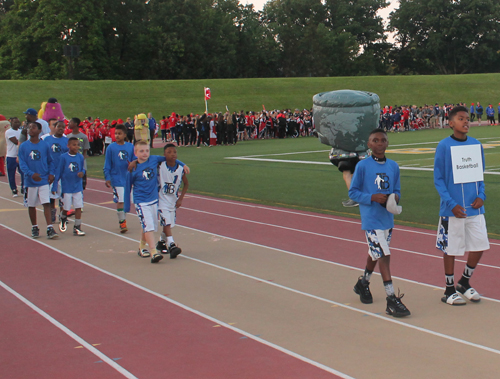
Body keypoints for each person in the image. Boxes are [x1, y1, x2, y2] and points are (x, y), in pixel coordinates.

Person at [349, 128, 410, 317]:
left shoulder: (393, 166)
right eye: (375, 140)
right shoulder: (363, 166)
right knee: (383, 254)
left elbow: (397, 190)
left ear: (387, 143)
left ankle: (363, 283)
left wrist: (394, 199)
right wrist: (372, 197)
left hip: (387, 218)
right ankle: (391, 299)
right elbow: (353, 193)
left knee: (374, 252)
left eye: (383, 140)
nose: (379, 143)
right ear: (369, 144)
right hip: (371, 218)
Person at [434, 105, 489, 305]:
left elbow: (479, 175)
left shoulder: (476, 145)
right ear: (450, 123)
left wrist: (481, 195)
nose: (466, 121)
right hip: (453, 209)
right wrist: (451, 203)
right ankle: (449, 289)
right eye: (460, 118)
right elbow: (438, 179)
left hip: (475, 208)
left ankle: (464, 282)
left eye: (467, 118)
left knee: (480, 244)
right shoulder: (444, 146)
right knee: (451, 248)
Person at [124, 140, 166, 263]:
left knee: (148, 225)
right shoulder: (133, 169)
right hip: (141, 201)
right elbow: (127, 187)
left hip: (153, 199)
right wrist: (127, 206)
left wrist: (182, 164)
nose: (145, 153)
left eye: (147, 150)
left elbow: (168, 158)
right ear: (135, 153)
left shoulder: (153, 159)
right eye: (141, 151)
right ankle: (154, 251)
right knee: (148, 226)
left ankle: (142, 247)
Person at [18, 122, 58, 239]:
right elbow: (22, 164)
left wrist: (51, 173)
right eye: (29, 127)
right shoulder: (24, 146)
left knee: (46, 203)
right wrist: (31, 174)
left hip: (43, 179)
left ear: (39, 130)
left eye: (33, 127)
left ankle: (49, 227)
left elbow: (50, 161)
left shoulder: (44, 145)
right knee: (31, 205)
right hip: (30, 181)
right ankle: (34, 227)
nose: (30, 129)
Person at [156, 143, 189, 258]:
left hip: (173, 201)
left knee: (170, 224)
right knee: (167, 222)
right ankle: (172, 244)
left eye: (174, 152)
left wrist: (180, 199)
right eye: (169, 152)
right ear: (164, 155)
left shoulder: (180, 169)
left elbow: (186, 184)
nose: (172, 154)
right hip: (161, 199)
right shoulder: (160, 166)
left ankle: (161, 243)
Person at [103, 124, 135, 233]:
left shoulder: (130, 146)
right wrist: (107, 177)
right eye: (115, 133)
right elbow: (107, 164)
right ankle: (122, 222)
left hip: (127, 178)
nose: (117, 135)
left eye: (119, 133)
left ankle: (123, 218)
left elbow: (135, 160)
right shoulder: (111, 148)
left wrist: (133, 164)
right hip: (116, 178)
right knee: (121, 199)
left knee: (126, 201)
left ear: (125, 135)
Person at [52, 137, 86, 236]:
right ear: (68, 146)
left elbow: (82, 169)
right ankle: (63, 217)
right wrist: (54, 186)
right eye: (74, 145)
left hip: (77, 187)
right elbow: (58, 172)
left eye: (78, 145)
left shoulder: (80, 157)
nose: (76, 147)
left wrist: (82, 173)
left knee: (78, 207)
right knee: (66, 208)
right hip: (66, 187)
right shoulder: (63, 157)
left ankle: (77, 227)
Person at [43, 121, 69, 223]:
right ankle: (52, 213)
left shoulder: (66, 141)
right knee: (51, 195)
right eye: (59, 127)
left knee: (63, 195)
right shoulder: (47, 140)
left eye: (63, 127)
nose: (60, 129)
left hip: (62, 172)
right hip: (51, 171)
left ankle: (63, 216)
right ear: (55, 127)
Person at [5, 117, 22, 196]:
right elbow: (16, 142)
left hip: (20, 156)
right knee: (11, 173)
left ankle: (23, 187)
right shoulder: (9, 132)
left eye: (18, 122)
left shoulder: (21, 131)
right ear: (11, 123)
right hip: (11, 156)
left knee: (23, 172)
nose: (17, 124)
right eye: (15, 122)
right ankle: (14, 189)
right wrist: (22, 140)